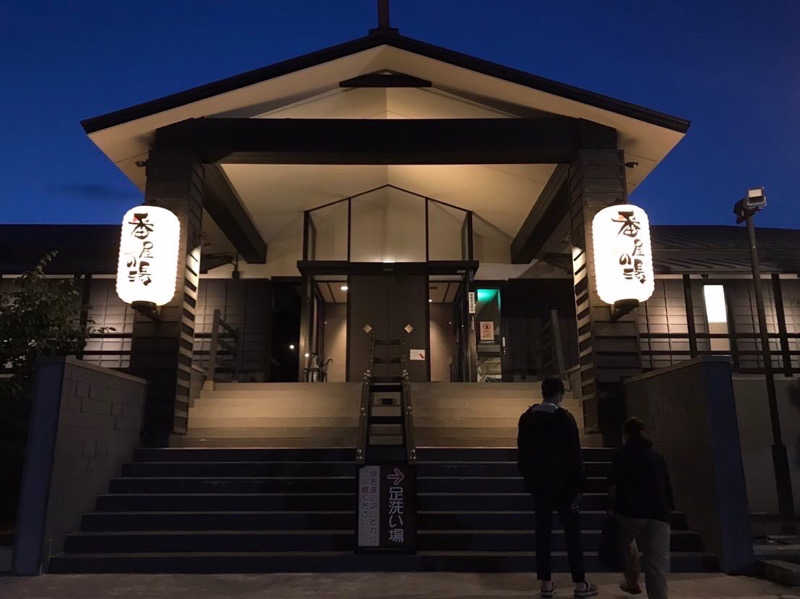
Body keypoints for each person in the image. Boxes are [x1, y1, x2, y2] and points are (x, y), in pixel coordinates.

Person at [518, 377, 598, 598]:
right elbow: (575, 455)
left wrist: (529, 480)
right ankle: (580, 583)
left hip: (540, 486)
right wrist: (580, 486)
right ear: (561, 394)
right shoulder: (564, 419)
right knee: (572, 535)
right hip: (565, 486)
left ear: (543, 392)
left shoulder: (527, 419)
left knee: (542, 534)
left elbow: (523, 454)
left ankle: (546, 582)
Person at [609, 418, 674, 599]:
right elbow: (667, 485)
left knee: (626, 546)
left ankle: (632, 581)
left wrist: (612, 508)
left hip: (630, 513)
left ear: (626, 435)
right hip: (659, 514)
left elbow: (613, 486)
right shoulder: (657, 456)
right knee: (656, 567)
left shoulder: (621, 455)